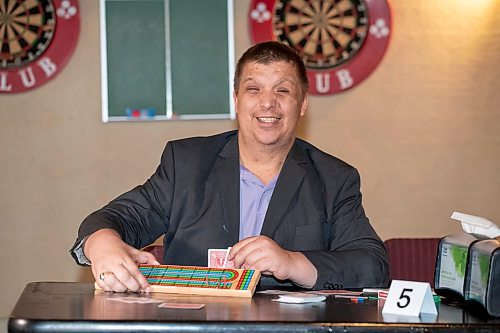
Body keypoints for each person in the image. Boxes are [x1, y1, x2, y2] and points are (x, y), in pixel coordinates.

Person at [70, 41, 389, 293]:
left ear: (302, 103)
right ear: (236, 99)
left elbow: (372, 265)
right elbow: (113, 219)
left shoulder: (334, 179)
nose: (268, 103)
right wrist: (102, 245)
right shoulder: (187, 164)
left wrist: (293, 262)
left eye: (282, 90)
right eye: (254, 89)